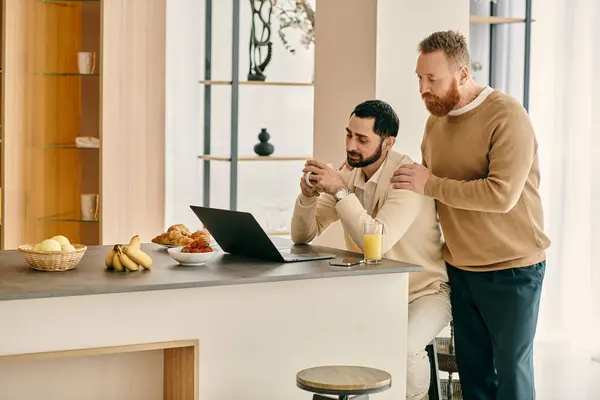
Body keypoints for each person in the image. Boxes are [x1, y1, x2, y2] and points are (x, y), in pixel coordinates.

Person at [391, 30, 551, 400]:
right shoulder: (435, 123)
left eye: (433, 79)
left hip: (513, 268)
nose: (423, 89)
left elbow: (501, 195)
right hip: (462, 269)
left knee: (512, 373)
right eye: (419, 78)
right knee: (473, 375)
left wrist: (431, 184)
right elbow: (427, 192)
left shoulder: (507, 116)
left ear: (463, 74)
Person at [291, 99, 450, 400]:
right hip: (375, 292)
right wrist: (308, 196)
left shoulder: (407, 178)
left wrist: (340, 191)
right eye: (349, 134)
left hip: (424, 292)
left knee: (404, 347)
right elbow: (303, 235)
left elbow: (376, 242)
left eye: (362, 139)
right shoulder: (351, 174)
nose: (351, 145)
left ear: (388, 143)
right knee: (329, 337)